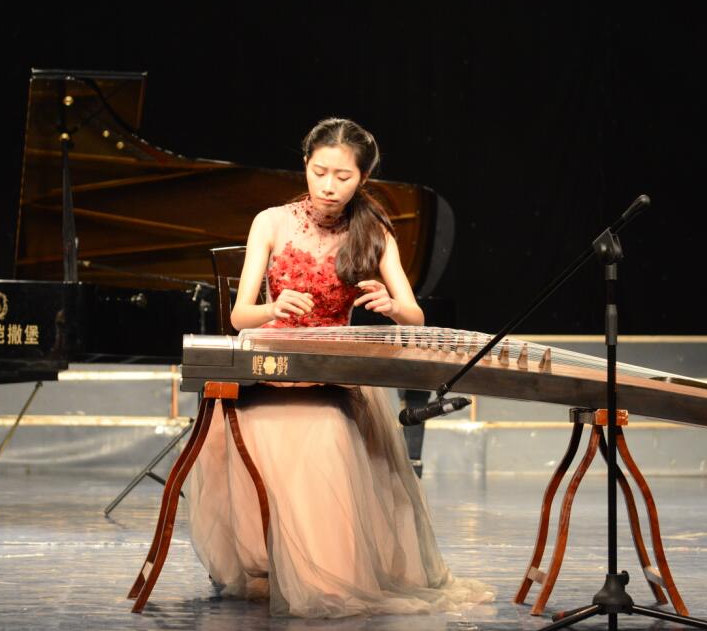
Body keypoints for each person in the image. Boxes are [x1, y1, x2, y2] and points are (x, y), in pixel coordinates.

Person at [187, 117, 495, 618]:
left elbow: (414, 315)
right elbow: (241, 315)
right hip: (271, 363)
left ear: (363, 178)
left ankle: (325, 574)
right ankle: (272, 561)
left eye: (343, 176)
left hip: (331, 365)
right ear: (305, 165)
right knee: (239, 429)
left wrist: (392, 306)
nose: (329, 186)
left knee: (328, 428)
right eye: (319, 172)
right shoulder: (271, 221)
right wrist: (272, 307)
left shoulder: (372, 232)